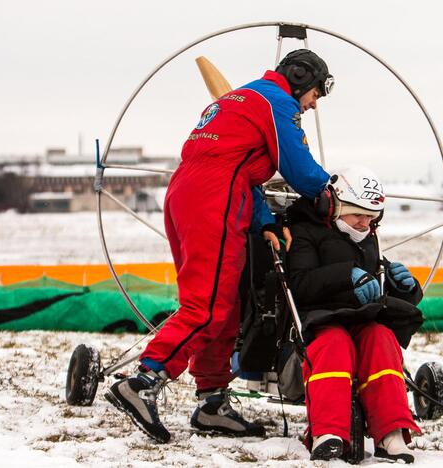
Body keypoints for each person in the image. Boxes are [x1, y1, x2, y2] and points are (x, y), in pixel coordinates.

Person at [105, 49, 335, 443]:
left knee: (221, 304)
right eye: (315, 93)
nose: (313, 105)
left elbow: (237, 167)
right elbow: (296, 163)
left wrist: (263, 221)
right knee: (207, 305)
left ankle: (212, 402)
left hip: (188, 192)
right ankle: (144, 381)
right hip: (216, 197)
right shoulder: (278, 102)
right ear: (299, 78)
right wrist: (330, 192)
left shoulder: (240, 98)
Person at [285, 165, 424, 463]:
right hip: (321, 320)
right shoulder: (305, 234)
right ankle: (328, 433)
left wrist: (406, 289)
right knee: (334, 344)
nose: (364, 224)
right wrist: (347, 275)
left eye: (371, 218)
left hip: (362, 319)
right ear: (333, 207)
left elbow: (377, 285)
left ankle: (391, 433)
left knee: (382, 337)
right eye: (357, 215)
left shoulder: (368, 237)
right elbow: (300, 285)